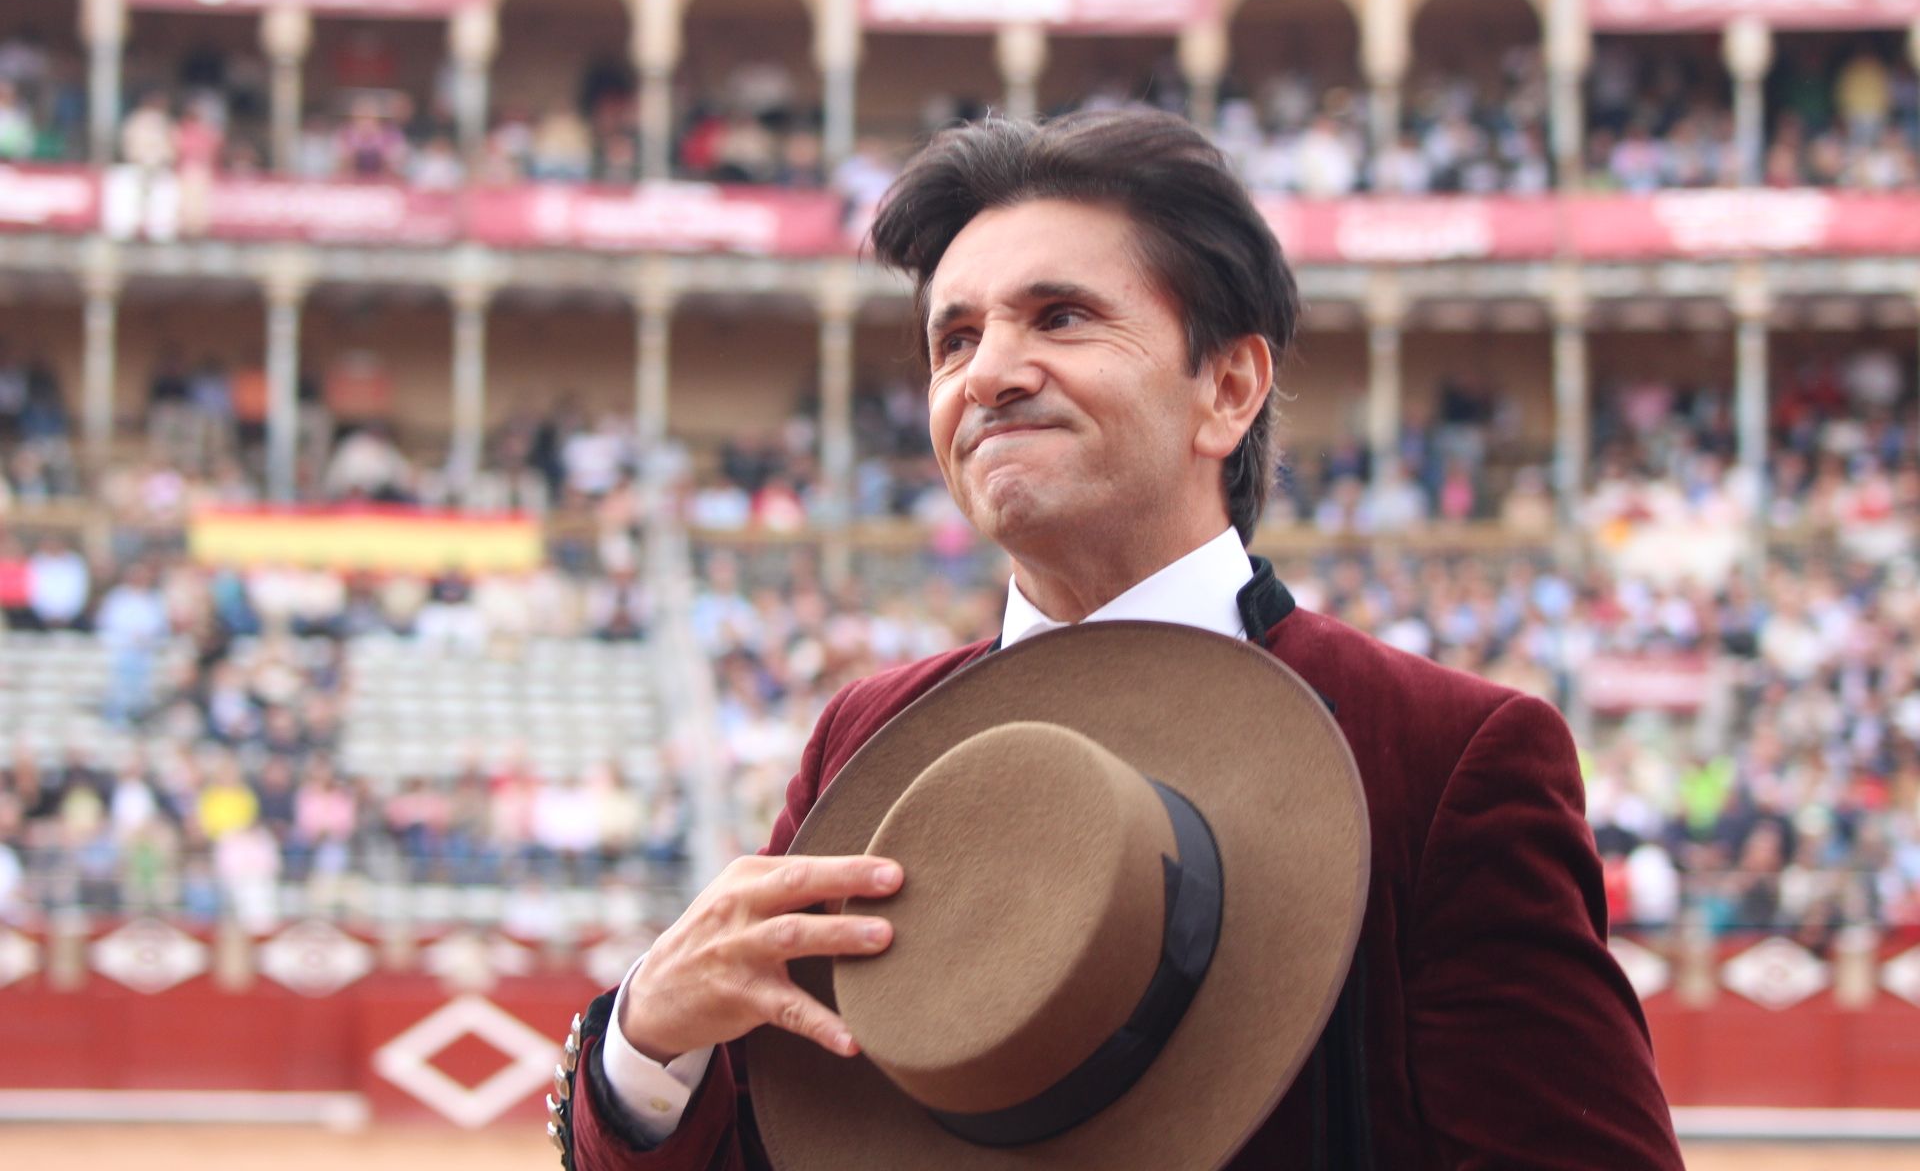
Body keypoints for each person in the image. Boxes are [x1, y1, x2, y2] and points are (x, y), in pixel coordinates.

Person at [562, 112, 1683, 1168]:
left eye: (1060, 317)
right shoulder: (865, 735)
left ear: (1229, 387)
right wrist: (646, 1040)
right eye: (954, 339)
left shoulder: (1448, 756)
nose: (987, 374)